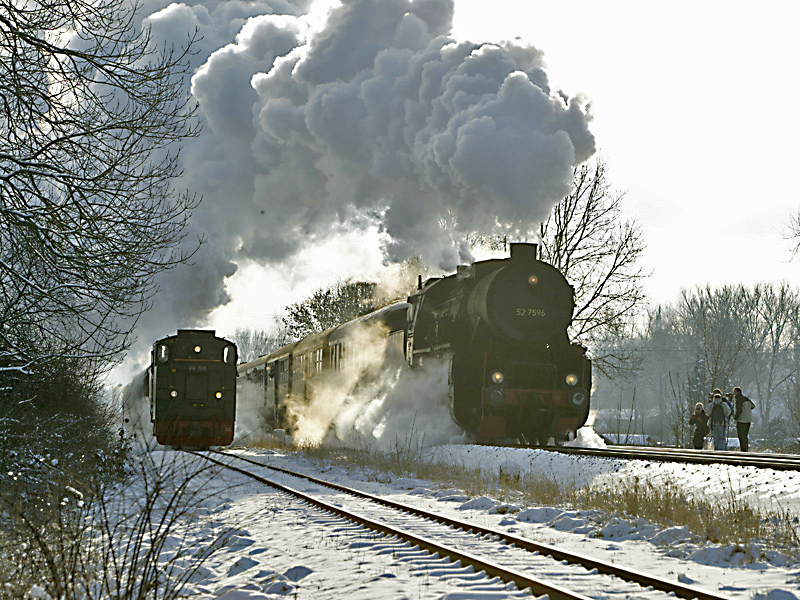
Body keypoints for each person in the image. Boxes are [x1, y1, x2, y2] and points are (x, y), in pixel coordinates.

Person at [732, 386, 756, 451]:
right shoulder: (746, 399)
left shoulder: (739, 400)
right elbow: (753, 406)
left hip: (741, 420)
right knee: (745, 436)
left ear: (737, 392)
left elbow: (739, 410)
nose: (733, 393)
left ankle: (743, 450)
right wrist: (747, 410)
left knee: (741, 436)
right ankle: (745, 449)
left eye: (734, 392)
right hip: (748, 420)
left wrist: (736, 418)